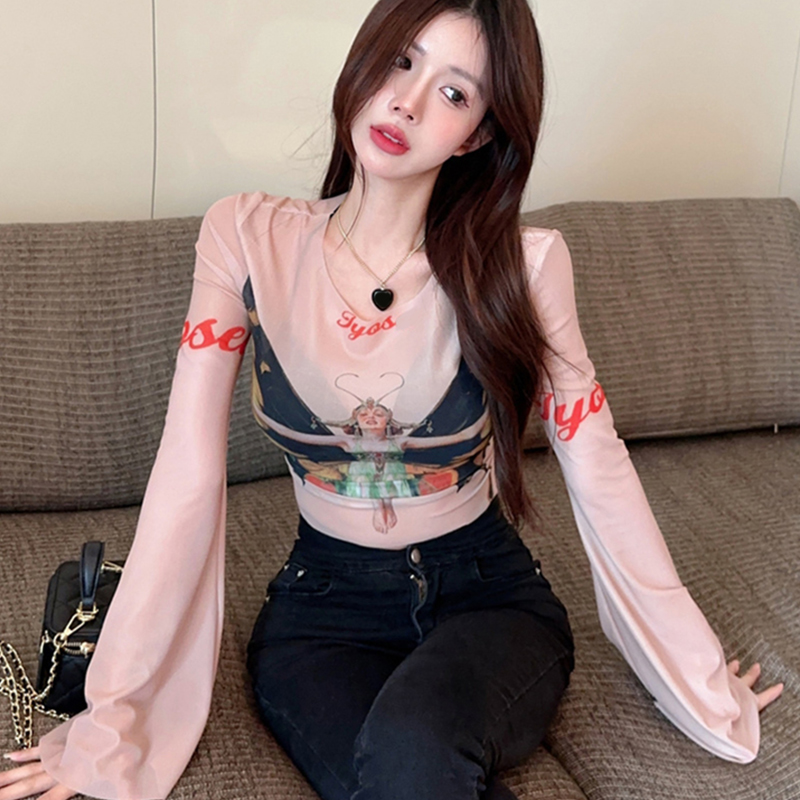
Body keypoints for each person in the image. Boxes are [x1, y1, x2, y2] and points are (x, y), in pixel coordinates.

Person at [0, 1, 784, 799]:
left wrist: (692, 667)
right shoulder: (245, 239)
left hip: (488, 600)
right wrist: (117, 713)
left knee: (415, 747)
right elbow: (186, 471)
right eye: (403, 61)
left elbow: (598, 466)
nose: (406, 102)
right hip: (320, 614)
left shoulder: (525, 267)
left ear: (477, 133)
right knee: (408, 775)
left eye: (453, 92)